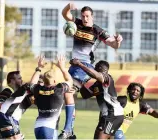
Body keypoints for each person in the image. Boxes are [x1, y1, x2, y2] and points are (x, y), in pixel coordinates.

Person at [60, 3, 123, 138]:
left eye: (87, 16)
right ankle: (70, 130)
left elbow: (113, 44)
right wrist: (68, 6)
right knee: (66, 96)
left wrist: (118, 41)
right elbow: (65, 14)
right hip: (74, 65)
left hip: (85, 66)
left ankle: (68, 130)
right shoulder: (76, 24)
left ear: (92, 16)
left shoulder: (98, 31)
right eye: (83, 16)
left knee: (68, 93)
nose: (85, 18)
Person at [0, 56, 46, 139]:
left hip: (8, 120)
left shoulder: (26, 94)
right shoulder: (9, 90)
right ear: (12, 80)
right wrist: (38, 68)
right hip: (6, 118)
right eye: (19, 78)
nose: (22, 80)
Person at [70, 58, 124, 139]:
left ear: (102, 69)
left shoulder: (107, 78)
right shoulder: (97, 84)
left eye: (96, 67)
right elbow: (86, 95)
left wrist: (79, 64)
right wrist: (78, 83)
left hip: (112, 114)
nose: (94, 69)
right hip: (107, 116)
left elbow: (96, 75)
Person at [29, 54, 73, 139]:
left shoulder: (38, 89)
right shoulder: (59, 89)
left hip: (37, 127)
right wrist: (62, 68)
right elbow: (70, 81)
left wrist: (39, 68)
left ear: (43, 81)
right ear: (55, 81)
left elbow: (32, 84)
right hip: (49, 129)